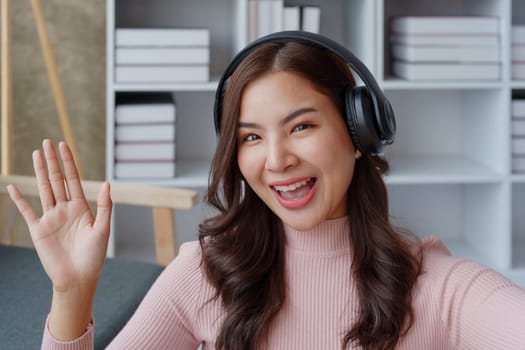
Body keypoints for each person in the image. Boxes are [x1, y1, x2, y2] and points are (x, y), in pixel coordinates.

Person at [7, 31, 525, 350]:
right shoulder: (203, 274)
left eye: (301, 126)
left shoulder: (437, 289)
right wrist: (72, 294)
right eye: (251, 137)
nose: (276, 160)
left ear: (358, 133)